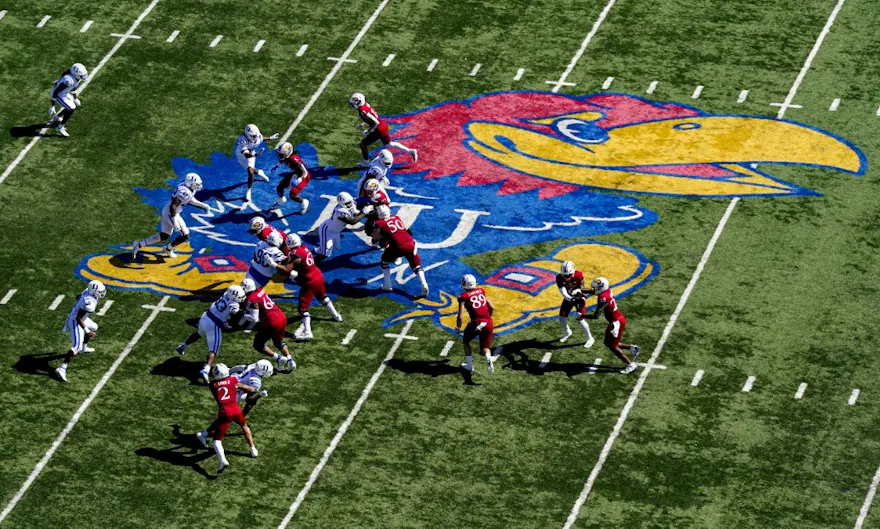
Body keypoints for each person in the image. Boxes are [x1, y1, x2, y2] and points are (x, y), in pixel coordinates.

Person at [195, 363, 258, 474]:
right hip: (236, 409)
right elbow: (250, 389)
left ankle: (223, 460)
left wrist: (205, 376)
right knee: (244, 426)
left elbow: (209, 384)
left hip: (225, 411)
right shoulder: (233, 380)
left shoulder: (213, 385)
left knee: (217, 441)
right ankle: (253, 449)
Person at [132, 173, 212, 259]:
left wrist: (203, 205)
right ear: (190, 184)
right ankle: (168, 249)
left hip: (170, 211)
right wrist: (175, 222)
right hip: (171, 213)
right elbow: (173, 206)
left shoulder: (187, 188)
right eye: (196, 184)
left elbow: (190, 199)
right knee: (185, 235)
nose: (198, 186)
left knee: (164, 235)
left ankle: (139, 244)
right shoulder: (184, 192)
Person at [175, 285, 245, 383]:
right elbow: (234, 313)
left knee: (199, 333)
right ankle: (206, 370)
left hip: (205, 317)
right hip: (214, 324)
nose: (241, 299)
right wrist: (240, 314)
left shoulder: (226, 294)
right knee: (213, 350)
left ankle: (183, 346)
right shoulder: (234, 304)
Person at [283, 233, 342, 341]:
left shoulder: (295, 254)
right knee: (323, 296)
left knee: (303, 308)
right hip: (318, 275)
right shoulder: (304, 247)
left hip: (310, 281)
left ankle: (307, 332)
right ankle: (336, 316)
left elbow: (287, 269)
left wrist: (273, 264)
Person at [581, 276, 640, 374]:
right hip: (617, 319)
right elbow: (594, 292)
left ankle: (630, 365)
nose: (594, 289)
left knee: (612, 346)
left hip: (616, 323)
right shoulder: (606, 291)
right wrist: (580, 289)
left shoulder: (603, 298)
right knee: (608, 342)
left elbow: (596, 316)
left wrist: (582, 315)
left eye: (596, 288)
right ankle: (632, 348)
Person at [371, 205, 429, 297]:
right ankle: (423, 283)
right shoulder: (396, 217)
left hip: (398, 246)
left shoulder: (379, 222)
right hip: (411, 243)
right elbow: (408, 231)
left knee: (384, 260)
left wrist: (379, 237)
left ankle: (387, 285)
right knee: (415, 265)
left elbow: (375, 238)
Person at [240, 278, 295, 371]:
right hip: (281, 317)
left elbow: (255, 319)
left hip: (271, 322)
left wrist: (244, 315)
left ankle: (279, 358)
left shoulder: (252, 299)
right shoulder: (259, 290)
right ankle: (290, 360)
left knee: (258, 344)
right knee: (278, 341)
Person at [55, 280, 105, 382]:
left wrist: (78, 305)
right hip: (75, 321)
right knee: (76, 346)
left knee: (94, 327)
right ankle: (62, 368)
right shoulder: (89, 303)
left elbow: (79, 297)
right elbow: (78, 317)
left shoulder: (87, 291)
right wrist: (87, 331)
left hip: (81, 318)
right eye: (99, 291)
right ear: (94, 291)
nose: (101, 292)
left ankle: (84, 348)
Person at [349, 92, 417, 164]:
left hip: (378, 129)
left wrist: (368, 131)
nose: (354, 103)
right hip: (383, 125)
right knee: (389, 144)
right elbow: (373, 117)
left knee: (363, 144)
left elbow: (376, 122)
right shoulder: (365, 105)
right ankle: (410, 151)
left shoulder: (363, 111)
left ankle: (366, 162)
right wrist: (365, 123)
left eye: (355, 101)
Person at [455, 274, 495, 375]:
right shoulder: (481, 291)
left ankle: (469, 366)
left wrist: (458, 327)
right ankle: (488, 357)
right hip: (488, 322)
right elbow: (492, 307)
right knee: (485, 348)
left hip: (476, 323)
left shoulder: (463, 297)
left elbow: (460, 316)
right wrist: (488, 318)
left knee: (466, 341)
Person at [315, 192, 369, 263]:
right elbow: (352, 221)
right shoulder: (340, 211)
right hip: (327, 230)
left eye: (349, 202)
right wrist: (364, 212)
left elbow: (362, 201)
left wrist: (370, 202)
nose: (349, 205)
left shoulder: (351, 203)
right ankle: (312, 263)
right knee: (325, 254)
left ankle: (320, 249)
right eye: (346, 204)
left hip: (335, 231)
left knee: (334, 246)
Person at [233, 124, 279, 204]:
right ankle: (260, 172)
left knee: (250, 171)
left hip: (252, 155)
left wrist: (270, 138)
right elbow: (246, 154)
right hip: (242, 157)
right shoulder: (243, 140)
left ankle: (249, 190)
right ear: (248, 135)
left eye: (256, 135)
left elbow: (261, 138)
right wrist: (255, 155)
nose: (256, 137)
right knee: (250, 170)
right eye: (254, 136)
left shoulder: (257, 137)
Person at [556, 260, 595, 348]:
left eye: (568, 275)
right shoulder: (559, 278)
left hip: (579, 299)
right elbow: (563, 292)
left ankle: (590, 338)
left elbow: (582, 288)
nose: (566, 277)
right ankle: (567, 332)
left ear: (573, 272)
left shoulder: (579, 275)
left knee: (580, 319)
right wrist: (570, 298)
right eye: (564, 275)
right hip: (569, 298)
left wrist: (580, 294)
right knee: (562, 318)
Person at [268, 142, 310, 216]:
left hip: (303, 176)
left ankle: (304, 202)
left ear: (288, 153)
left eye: (281, 154)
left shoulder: (294, 159)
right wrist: (277, 166)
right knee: (280, 187)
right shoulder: (286, 156)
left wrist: (298, 180)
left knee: (292, 195)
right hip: (295, 174)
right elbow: (282, 160)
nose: (279, 156)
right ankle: (281, 199)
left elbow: (305, 172)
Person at [48, 62, 88, 137]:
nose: (83, 76)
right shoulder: (68, 80)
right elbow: (56, 91)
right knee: (70, 109)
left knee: (73, 106)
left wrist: (75, 98)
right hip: (58, 94)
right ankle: (60, 127)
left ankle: (56, 117)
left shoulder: (74, 77)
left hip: (64, 93)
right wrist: (52, 105)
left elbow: (73, 87)